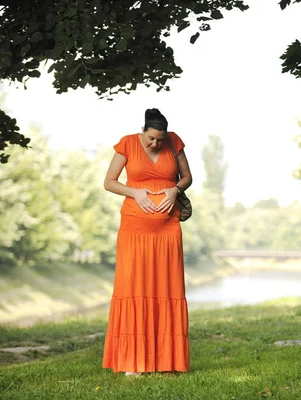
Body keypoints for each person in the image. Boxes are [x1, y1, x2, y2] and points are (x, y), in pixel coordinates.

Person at [102, 108, 193, 376]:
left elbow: (187, 177)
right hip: (134, 228)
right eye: (151, 138)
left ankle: (167, 363)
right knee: (134, 288)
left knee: (167, 288)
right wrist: (134, 192)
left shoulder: (174, 143)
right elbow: (108, 182)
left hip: (168, 228)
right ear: (143, 131)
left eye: (160, 140)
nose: (155, 144)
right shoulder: (127, 143)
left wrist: (175, 189)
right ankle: (134, 364)